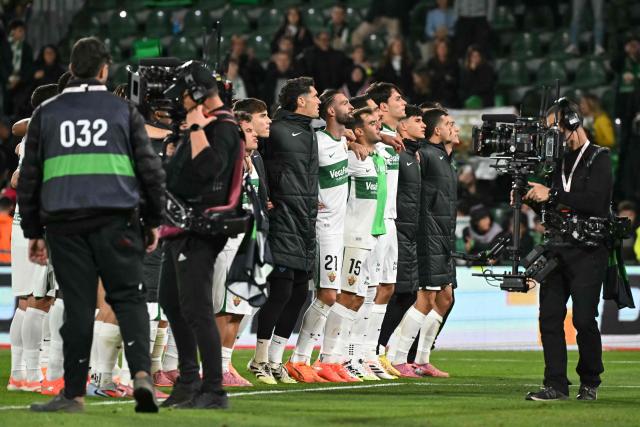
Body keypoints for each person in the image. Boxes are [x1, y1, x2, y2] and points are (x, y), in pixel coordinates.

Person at [18, 37, 165, 413]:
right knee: (129, 299)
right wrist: (152, 221)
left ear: (72, 67)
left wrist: (33, 231)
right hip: (117, 218)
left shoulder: (47, 114)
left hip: (65, 223)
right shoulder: (123, 111)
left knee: (79, 307)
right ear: (104, 69)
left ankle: (73, 394)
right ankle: (142, 376)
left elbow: (30, 178)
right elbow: (149, 171)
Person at [158, 61, 242, 410]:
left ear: (195, 93)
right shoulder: (208, 124)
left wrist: (194, 128)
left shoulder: (222, 126)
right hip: (180, 227)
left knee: (196, 309)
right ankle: (189, 381)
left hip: (199, 228)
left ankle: (213, 389)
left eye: (183, 92)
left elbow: (210, 170)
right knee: (172, 301)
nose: (178, 100)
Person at [523, 98, 613, 401]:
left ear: (573, 123)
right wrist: (531, 199)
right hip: (556, 247)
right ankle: (556, 385)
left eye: (555, 129)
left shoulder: (600, 157)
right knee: (548, 317)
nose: (552, 136)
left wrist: (554, 193)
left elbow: (596, 203)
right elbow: (552, 206)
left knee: (584, 319)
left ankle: (590, 380)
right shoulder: (556, 162)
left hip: (589, 250)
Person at [248, 77, 320, 385]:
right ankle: (259, 359)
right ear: (300, 101)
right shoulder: (275, 131)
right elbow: (251, 155)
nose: (318, 100)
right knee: (280, 291)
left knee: (300, 292)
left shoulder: (309, 133)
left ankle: (276, 360)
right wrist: (265, 196)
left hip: (304, 222)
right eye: (314, 96)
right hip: (282, 221)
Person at [287, 89, 355, 383]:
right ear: (330, 111)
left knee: (333, 295)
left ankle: (320, 360)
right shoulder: (318, 142)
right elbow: (300, 172)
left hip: (341, 229)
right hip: (323, 228)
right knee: (327, 294)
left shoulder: (345, 142)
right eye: (343, 103)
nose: (349, 107)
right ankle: (299, 359)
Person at [387, 108, 456, 379]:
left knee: (445, 297)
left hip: (442, 235)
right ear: (436, 129)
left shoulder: (441, 157)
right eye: (449, 123)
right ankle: (398, 357)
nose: (455, 128)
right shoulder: (424, 155)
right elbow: (414, 195)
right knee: (425, 297)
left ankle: (421, 359)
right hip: (427, 234)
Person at [211, 111, 264, 387]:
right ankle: (215, 368)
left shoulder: (252, 161)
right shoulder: (226, 162)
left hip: (247, 242)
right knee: (225, 307)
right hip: (228, 243)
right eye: (248, 130)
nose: (255, 133)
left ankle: (225, 365)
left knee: (240, 308)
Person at [358, 82, 405, 377]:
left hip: (390, 220)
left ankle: (372, 351)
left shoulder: (390, 141)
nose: (404, 103)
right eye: (398, 99)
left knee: (386, 287)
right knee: (365, 289)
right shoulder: (366, 139)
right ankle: (356, 354)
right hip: (371, 222)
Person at [426, 38, 459, 108]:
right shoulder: (431, 62)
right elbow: (430, 80)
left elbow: (454, 80)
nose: (442, 50)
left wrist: (438, 75)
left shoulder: (453, 62)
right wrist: (445, 76)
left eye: (444, 47)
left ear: (448, 49)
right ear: (436, 49)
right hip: (434, 94)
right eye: (440, 47)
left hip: (450, 96)